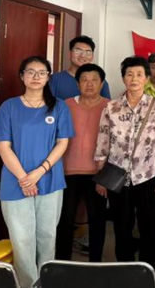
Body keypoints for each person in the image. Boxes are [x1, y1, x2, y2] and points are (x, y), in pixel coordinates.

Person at [0, 56, 74, 288]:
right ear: (22, 76)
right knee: (22, 240)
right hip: (15, 183)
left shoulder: (59, 106)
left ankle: (45, 282)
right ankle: (28, 284)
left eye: (41, 72)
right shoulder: (9, 107)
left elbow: (62, 143)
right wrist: (24, 179)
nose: (36, 77)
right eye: (30, 72)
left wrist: (39, 172)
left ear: (48, 77)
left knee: (47, 237)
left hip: (50, 180)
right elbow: (4, 146)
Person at [95, 56, 155, 268]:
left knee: (149, 225)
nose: (134, 79)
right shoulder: (111, 107)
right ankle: (125, 269)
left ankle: (146, 270)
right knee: (121, 225)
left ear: (146, 78)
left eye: (139, 74)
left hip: (148, 175)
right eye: (130, 74)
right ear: (123, 78)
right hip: (117, 175)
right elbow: (103, 143)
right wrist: (101, 178)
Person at [55, 63, 109, 262]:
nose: (89, 84)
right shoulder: (65, 105)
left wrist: (105, 176)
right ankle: (62, 263)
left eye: (94, 80)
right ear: (77, 84)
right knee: (65, 219)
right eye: (84, 80)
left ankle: (95, 264)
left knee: (97, 220)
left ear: (102, 84)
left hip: (98, 173)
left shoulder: (110, 106)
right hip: (67, 172)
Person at [50, 35, 111, 100]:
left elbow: (107, 104)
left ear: (92, 56)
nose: (83, 55)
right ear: (70, 53)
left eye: (88, 52)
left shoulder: (100, 81)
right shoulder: (55, 79)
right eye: (78, 50)